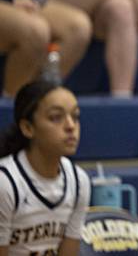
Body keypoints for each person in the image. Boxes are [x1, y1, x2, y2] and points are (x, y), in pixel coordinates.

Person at [0, 80, 91, 256]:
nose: (71, 126)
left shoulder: (79, 181)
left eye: (75, 116)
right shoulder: (6, 183)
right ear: (27, 128)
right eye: (56, 117)